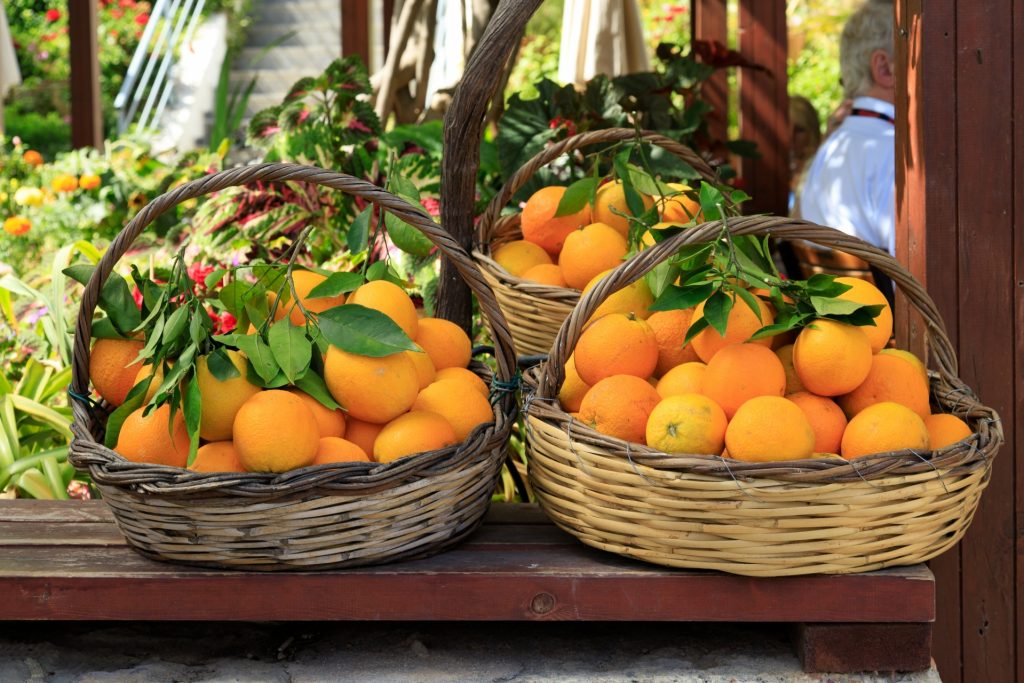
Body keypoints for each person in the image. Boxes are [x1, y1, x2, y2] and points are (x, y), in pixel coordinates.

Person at [796, 0, 895, 256]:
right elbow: (914, 279)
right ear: (884, 68)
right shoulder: (891, 150)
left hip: (836, 296)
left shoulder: (831, 146)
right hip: (881, 297)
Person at [788, 95, 823, 214]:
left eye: (799, 130)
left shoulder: (822, 167)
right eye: (786, 127)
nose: (791, 137)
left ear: (812, 132)